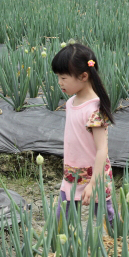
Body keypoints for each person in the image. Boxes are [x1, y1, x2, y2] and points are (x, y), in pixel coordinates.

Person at [51, 43, 115, 223]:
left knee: (107, 219)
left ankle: (120, 247)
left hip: (95, 176)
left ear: (84, 76)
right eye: (58, 77)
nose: (59, 82)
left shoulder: (95, 109)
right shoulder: (71, 102)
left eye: (63, 77)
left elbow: (102, 149)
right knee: (62, 221)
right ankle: (63, 250)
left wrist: (93, 183)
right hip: (72, 174)